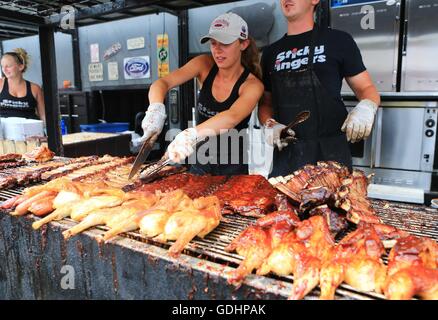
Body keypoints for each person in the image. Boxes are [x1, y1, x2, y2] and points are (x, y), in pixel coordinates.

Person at [258, 0, 380, 177]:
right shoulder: (270, 53)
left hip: (332, 156)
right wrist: (270, 125)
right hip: (288, 157)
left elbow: (366, 88)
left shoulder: (339, 40)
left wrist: (366, 107)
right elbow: (265, 104)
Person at [140, 12, 264, 175]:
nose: (217, 50)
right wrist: (155, 109)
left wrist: (190, 134)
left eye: (225, 43)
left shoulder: (252, 85)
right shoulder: (203, 65)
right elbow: (162, 83)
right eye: (213, 43)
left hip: (233, 166)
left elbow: (231, 117)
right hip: (199, 161)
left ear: (243, 44)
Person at [0, 48, 45, 123]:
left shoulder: (35, 88)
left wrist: (47, 132)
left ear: (21, 67)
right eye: (2, 66)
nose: (4, 69)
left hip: (30, 132)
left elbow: (43, 116)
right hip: (5, 132)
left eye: (8, 66)